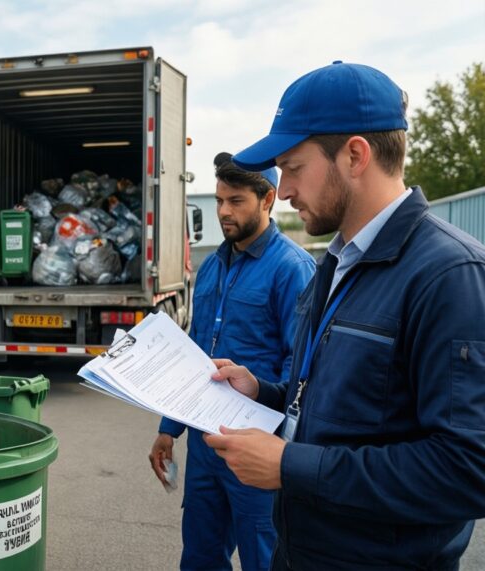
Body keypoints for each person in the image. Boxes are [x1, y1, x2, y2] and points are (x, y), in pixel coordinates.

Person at [203, 61, 485, 570]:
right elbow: (349, 406)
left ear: (355, 155)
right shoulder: (333, 263)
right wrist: (265, 392)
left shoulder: (450, 275)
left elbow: (467, 469)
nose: (283, 190)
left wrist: (292, 465)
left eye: (292, 167)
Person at [149, 153, 314, 571]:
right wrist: (169, 429)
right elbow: (194, 352)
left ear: (268, 199)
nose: (223, 211)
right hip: (207, 444)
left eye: (236, 200)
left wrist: (284, 448)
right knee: (201, 557)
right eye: (220, 200)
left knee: (264, 558)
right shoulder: (211, 268)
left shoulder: (292, 269)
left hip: (258, 445)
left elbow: (303, 368)